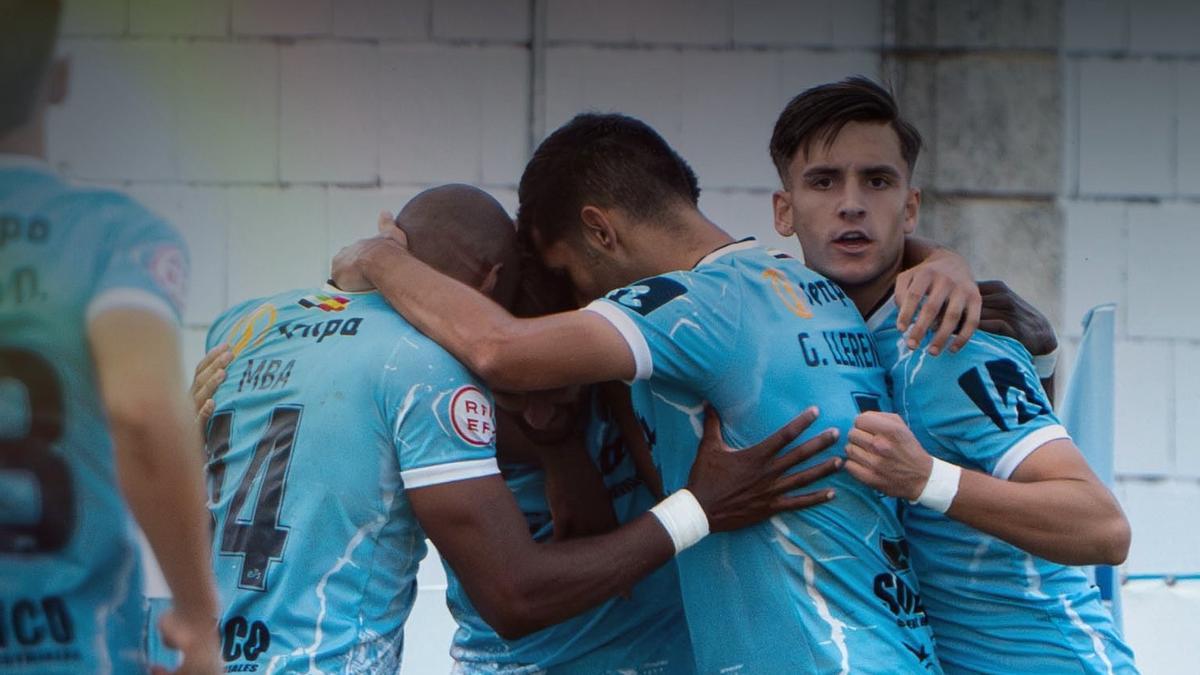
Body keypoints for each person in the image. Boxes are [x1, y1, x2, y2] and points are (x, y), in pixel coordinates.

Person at [330, 113, 992, 673]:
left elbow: (498, 349)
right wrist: (944, 262)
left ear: (602, 231)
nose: (583, 301)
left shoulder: (692, 304)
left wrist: (381, 260)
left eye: (572, 276)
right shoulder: (804, 284)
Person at [198, 183, 837, 673]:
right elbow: (515, 593)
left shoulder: (245, 327)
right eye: (508, 392)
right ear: (485, 289)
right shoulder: (430, 366)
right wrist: (700, 508)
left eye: (559, 389)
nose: (536, 411)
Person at [768, 76, 1137, 673]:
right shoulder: (791, 331)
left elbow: (1103, 528)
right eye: (824, 181)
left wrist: (925, 479)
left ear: (909, 206)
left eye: (878, 180)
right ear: (784, 211)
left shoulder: (950, 341)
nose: (852, 202)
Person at [0, 1, 220, 673]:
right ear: (59, 79)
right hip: (68, 651)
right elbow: (142, 410)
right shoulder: (114, 235)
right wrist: (197, 620)